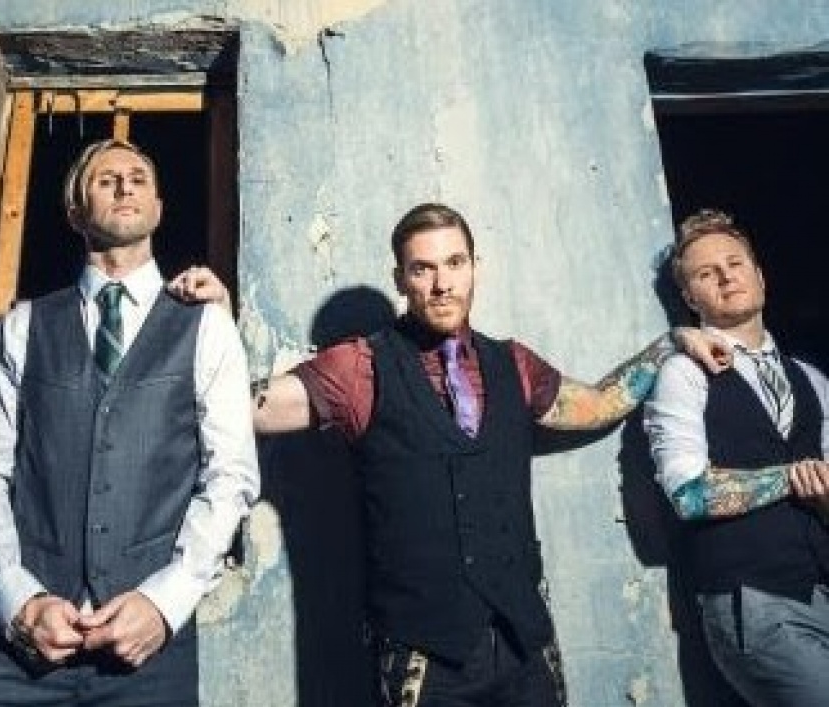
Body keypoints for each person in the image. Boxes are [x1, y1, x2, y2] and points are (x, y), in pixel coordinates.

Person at [171, 202, 727, 706]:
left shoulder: (513, 364)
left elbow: (600, 404)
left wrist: (671, 343)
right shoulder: (359, 367)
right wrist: (219, 321)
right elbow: (246, 411)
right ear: (401, 279)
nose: (442, 284)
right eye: (423, 269)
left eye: (455, 263)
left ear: (474, 267)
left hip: (525, 648)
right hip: (423, 659)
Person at [0, 138, 259, 707]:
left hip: (149, 652)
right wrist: (18, 602)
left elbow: (229, 478)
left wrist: (163, 604)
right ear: (74, 211)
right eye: (105, 178)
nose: (124, 186)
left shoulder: (208, 327)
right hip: (22, 651)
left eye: (139, 178)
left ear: (158, 208)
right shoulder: (23, 326)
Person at [644, 208, 829, 706]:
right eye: (707, 273)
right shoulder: (683, 374)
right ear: (689, 297)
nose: (727, 277)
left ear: (760, 275)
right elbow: (689, 494)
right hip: (755, 602)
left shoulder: (812, 379)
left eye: (735, 263)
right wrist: (790, 478)